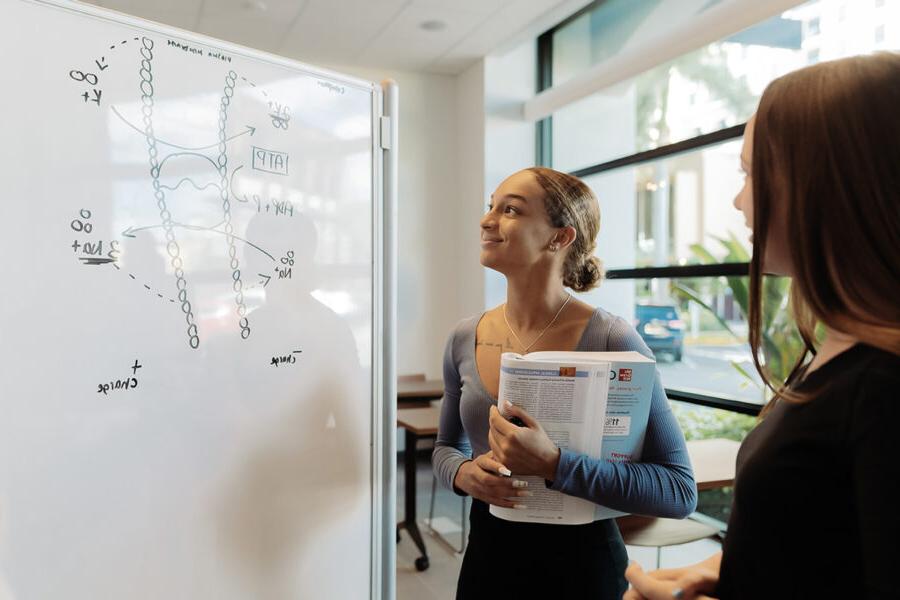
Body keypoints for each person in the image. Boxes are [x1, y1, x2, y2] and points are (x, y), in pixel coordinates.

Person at [624, 53, 900, 600]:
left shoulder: (883, 389)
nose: (739, 200)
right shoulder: (843, 358)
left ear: (824, 183)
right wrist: (728, 571)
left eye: (751, 173)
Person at [432, 166, 697, 600]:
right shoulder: (465, 336)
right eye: (490, 206)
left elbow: (678, 489)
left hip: (583, 567)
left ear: (560, 237)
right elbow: (446, 447)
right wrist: (463, 474)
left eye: (511, 209)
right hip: (488, 559)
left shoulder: (612, 339)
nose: (487, 220)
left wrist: (555, 465)